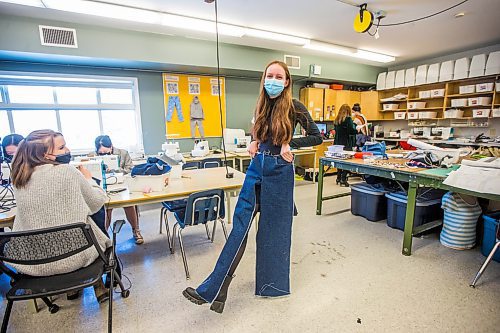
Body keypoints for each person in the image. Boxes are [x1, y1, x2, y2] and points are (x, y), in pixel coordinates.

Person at [182, 60, 322, 313]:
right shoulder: (262, 105)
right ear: (264, 78)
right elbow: (263, 134)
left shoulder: (295, 106)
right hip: (257, 167)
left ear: (287, 81)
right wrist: (254, 141)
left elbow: (316, 135)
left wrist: (291, 143)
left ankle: (272, 286)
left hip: (280, 171)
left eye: (279, 76)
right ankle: (214, 288)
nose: (274, 80)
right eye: (270, 75)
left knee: (274, 233)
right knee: (240, 227)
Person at [9, 129, 110, 303]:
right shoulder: (67, 172)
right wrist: (89, 180)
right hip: (76, 258)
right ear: (45, 154)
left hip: (34, 262)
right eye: (62, 147)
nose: (68, 150)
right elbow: (97, 201)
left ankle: (74, 289)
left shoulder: (19, 178)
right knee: (94, 216)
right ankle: (97, 286)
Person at [94, 135, 143, 245]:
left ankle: (136, 230)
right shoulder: (94, 157)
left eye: (106, 153)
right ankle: (103, 235)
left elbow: (130, 169)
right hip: (106, 187)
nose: (104, 155)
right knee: (107, 208)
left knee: (129, 204)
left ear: (111, 146)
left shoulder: (123, 153)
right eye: (101, 154)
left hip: (122, 184)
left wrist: (115, 170)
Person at [334, 104, 357, 187]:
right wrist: (357, 128)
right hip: (346, 143)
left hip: (337, 143)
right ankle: (343, 179)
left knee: (339, 160)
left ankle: (338, 177)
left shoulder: (337, 120)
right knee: (347, 161)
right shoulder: (348, 120)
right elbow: (352, 131)